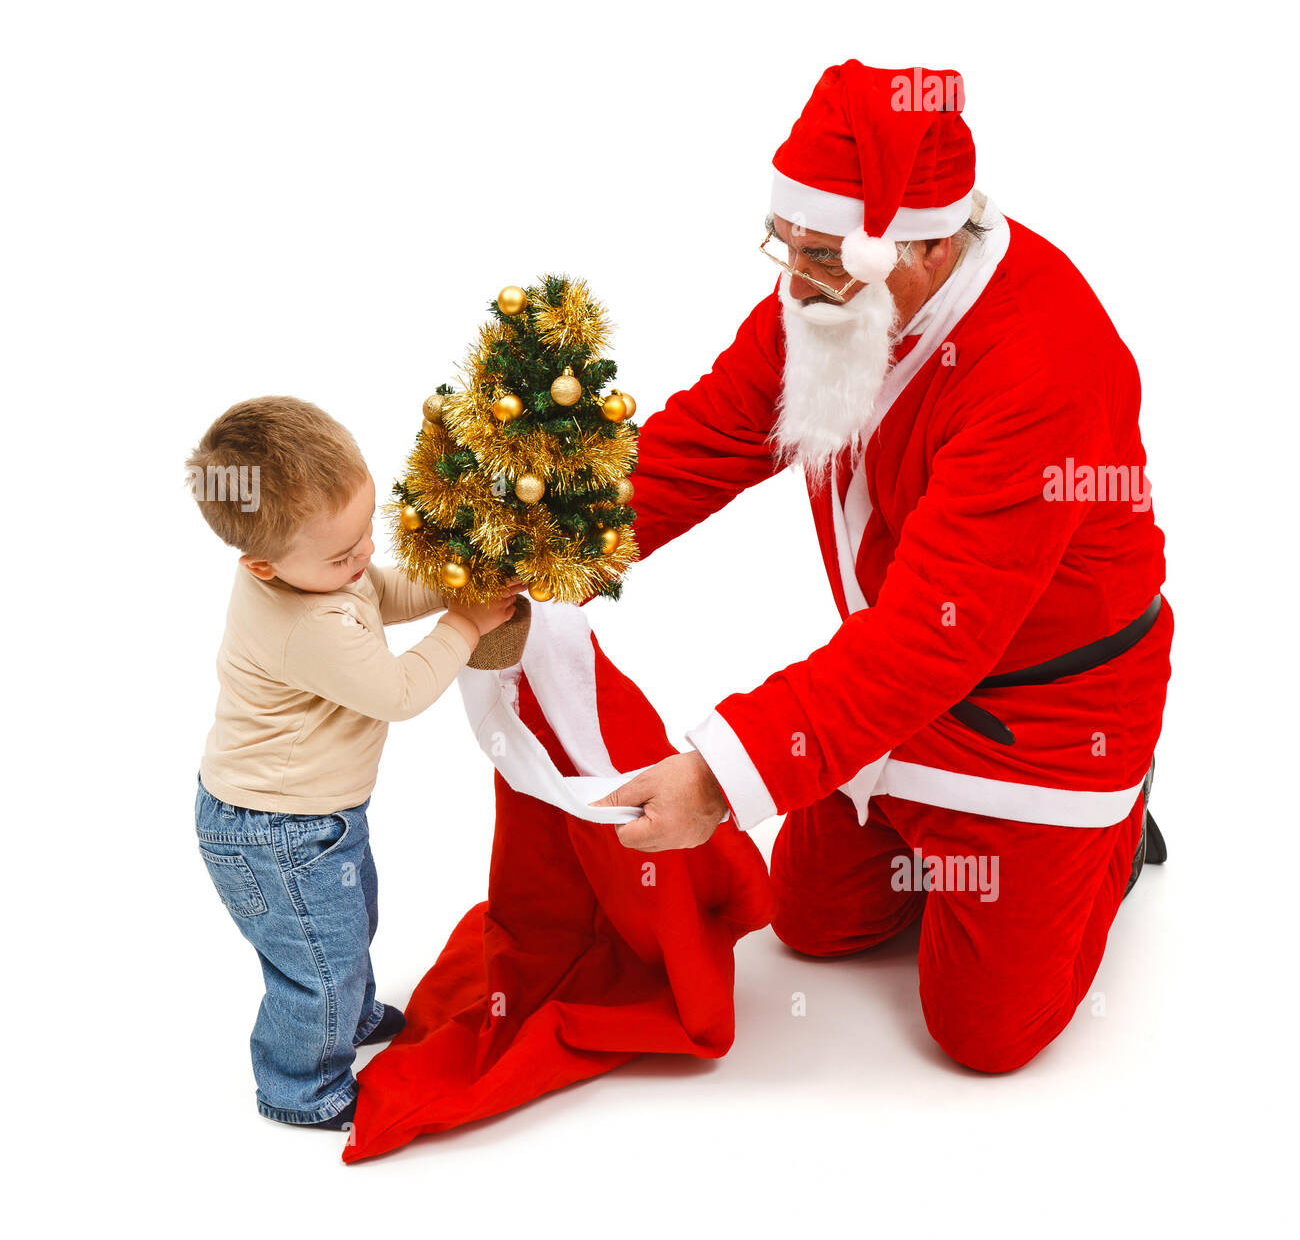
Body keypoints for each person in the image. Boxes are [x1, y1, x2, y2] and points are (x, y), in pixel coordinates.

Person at [594, 61, 1172, 1073]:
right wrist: (552, 543)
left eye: (818, 255)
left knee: (981, 1037)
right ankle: (942, 848)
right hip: (903, 684)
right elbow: (714, 435)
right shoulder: (828, 296)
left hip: (1039, 722)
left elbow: (923, 637)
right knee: (809, 921)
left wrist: (725, 778)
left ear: (928, 242)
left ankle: (1109, 834)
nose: (792, 278)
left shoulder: (1042, 362)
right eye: (787, 246)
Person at [186, 395, 522, 1128]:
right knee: (316, 963)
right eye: (344, 554)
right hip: (274, 832)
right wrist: (463, 625)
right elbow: (398, 691)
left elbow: (381, 592)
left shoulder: (322, 574)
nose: (364, 558)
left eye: (366, 535)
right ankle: (299, 1087)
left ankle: (351, 1012)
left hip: (316, 820)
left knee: (347, 922)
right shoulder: (307, 624)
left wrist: (453, 586)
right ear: (263, 565)